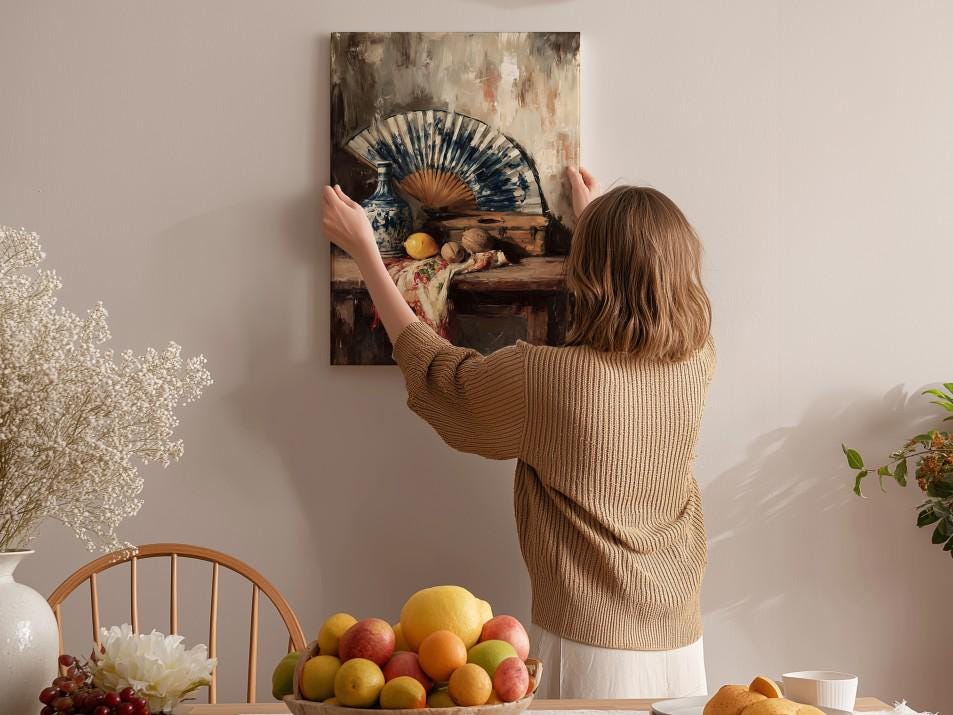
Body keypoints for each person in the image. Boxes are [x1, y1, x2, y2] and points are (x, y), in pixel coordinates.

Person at [320, 167, 715, 699]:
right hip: (682, 640)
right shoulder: (697, 359)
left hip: (589, 646)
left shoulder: (547, 379)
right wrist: (594, 222)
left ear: (589, 271)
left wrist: (366, 250)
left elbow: (442, 377)